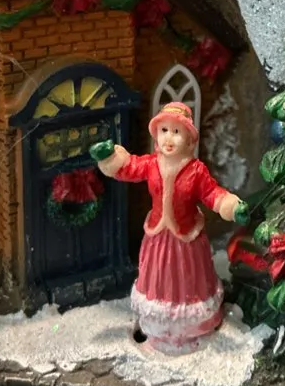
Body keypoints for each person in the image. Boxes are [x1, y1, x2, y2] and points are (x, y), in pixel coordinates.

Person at [90, 102, 248, 353]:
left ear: (189, 139)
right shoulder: (152, 164)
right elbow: (130, 167)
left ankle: (192, 327)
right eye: (164, 130)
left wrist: (230, 205)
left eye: (177, 132)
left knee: (188, 280)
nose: (169, 138)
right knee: (159, 280)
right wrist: (110, 158)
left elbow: (212, 193)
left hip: (186, 240)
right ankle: (159, 324)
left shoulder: (196, 171)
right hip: (158, 238)